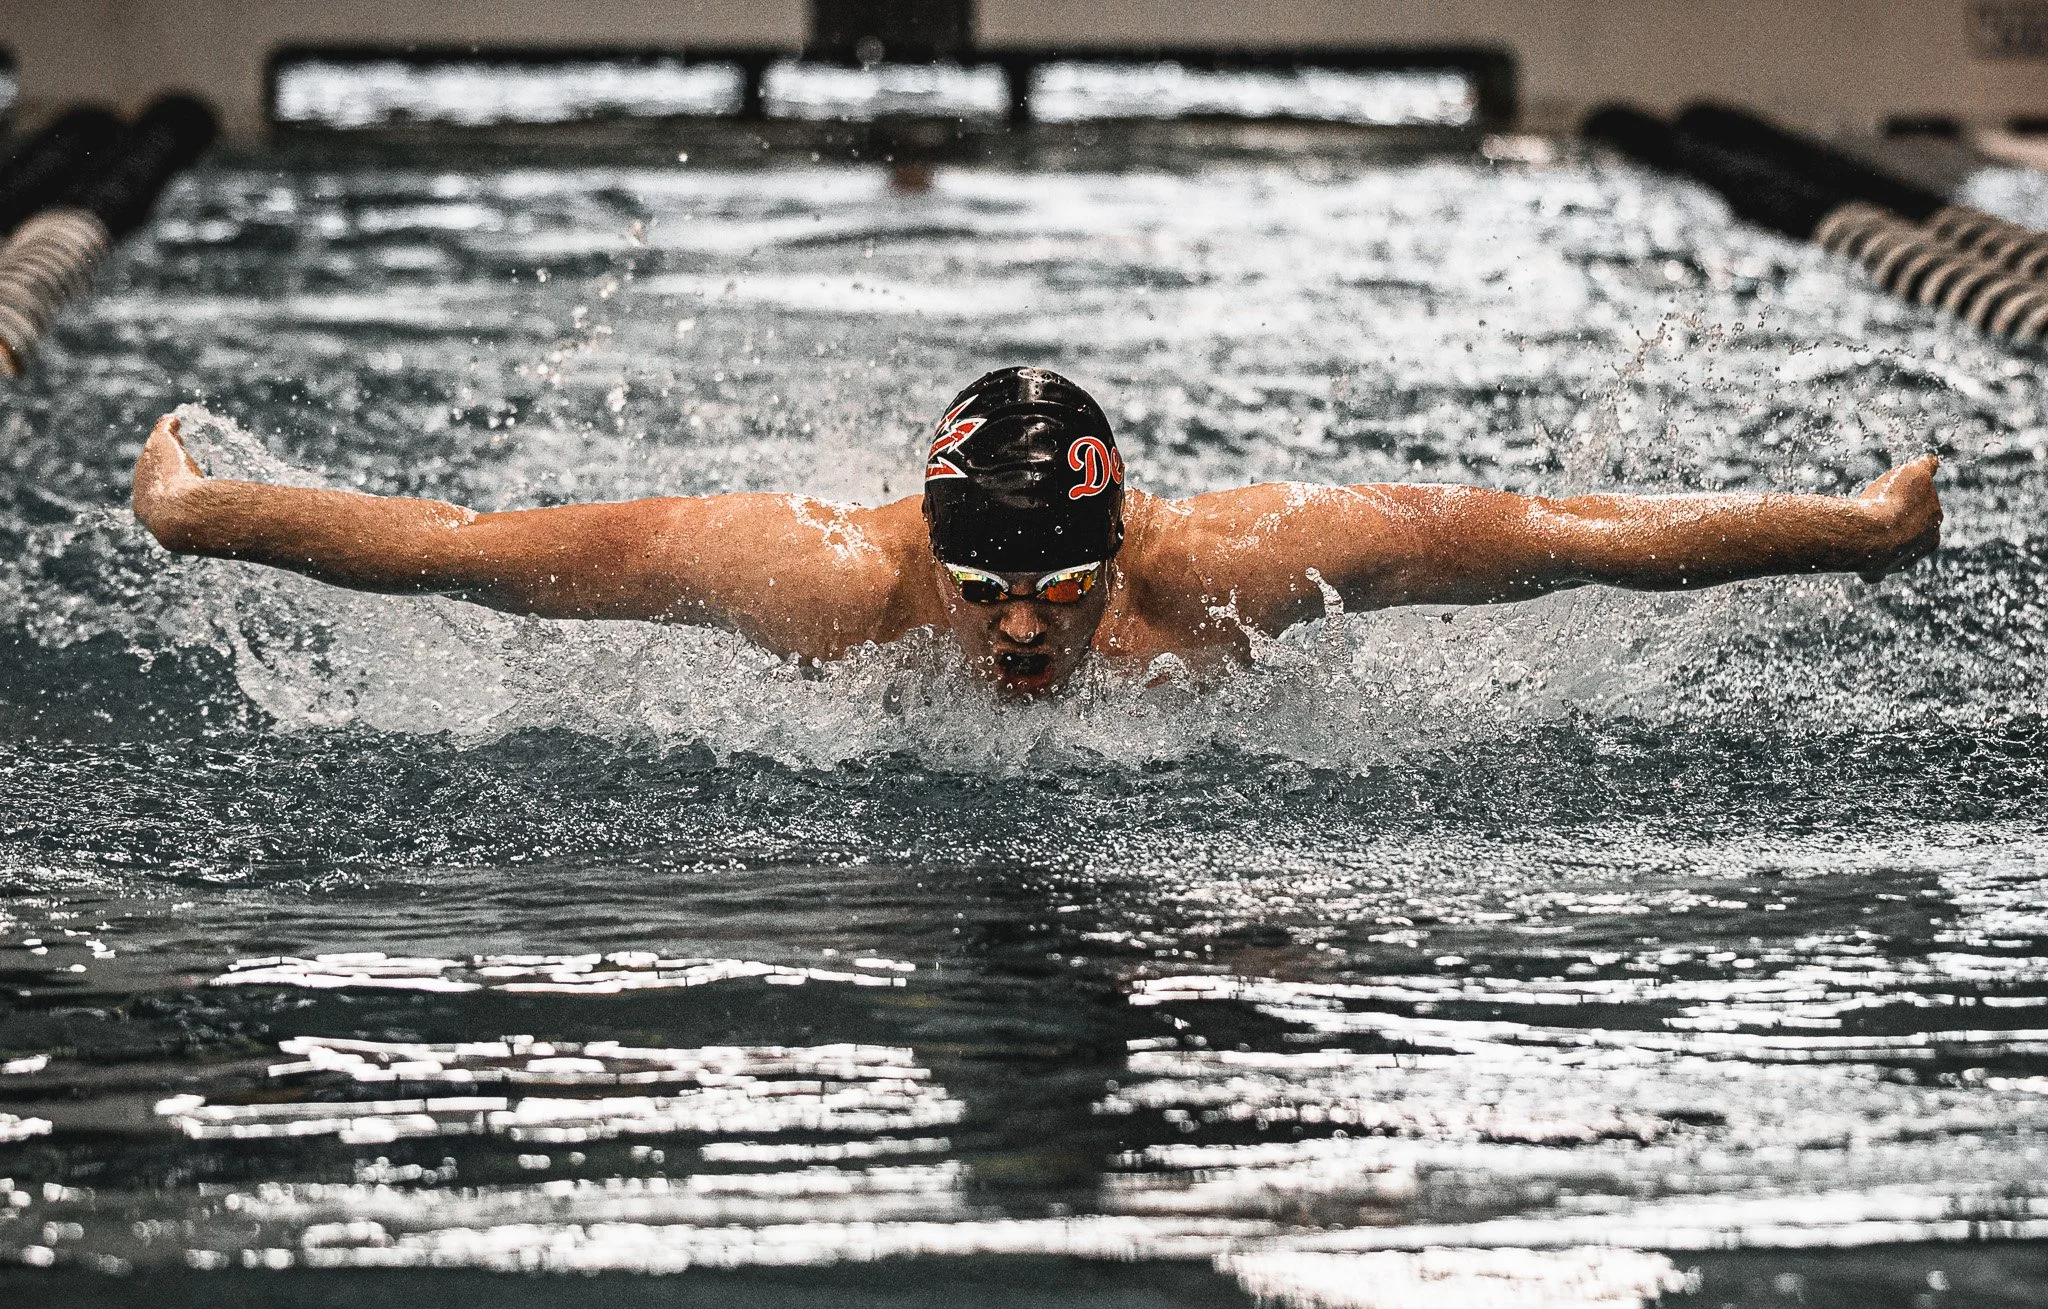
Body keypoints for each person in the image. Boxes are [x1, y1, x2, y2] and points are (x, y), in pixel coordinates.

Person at [132, 366, 1942, 696]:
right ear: (929, 550)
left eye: (1057, 592)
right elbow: (461, 544)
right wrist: (200, 512)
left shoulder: (1225, 560)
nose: (1018, 636)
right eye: (985, 590)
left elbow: (1566, 533)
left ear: (1119, 542)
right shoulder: (816, 577)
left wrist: (1852, 531)